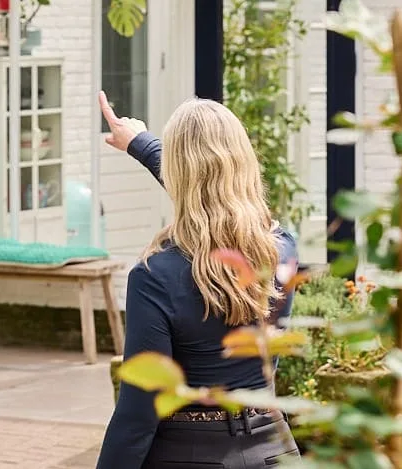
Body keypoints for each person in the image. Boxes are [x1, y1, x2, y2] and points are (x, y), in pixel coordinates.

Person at [94, 93, 300, 469]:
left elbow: (139, 413)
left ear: (176, 173)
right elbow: (213, 190)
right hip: (275, 450)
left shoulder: (155, 276)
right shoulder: (281, 250)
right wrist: (141, 144)